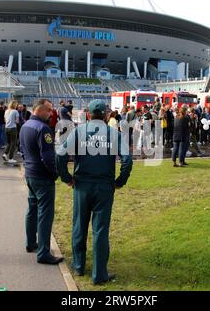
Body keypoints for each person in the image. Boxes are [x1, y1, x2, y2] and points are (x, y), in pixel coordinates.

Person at [56, 100, 133, 285]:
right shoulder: (113, 133)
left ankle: (79, 266)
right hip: (104, 187)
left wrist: (67, 178)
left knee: (79, 225)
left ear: (88, 115)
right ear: (106, 115)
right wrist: (119, 182)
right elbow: (127, 160)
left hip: (82, 186)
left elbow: (60, 155)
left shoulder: (79, 131)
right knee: (100, 230)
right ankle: (99, 274)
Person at [19, 99, 63, 265]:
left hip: (30, 173)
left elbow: (22, 149)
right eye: (49, 110)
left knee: (32, 209)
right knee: (45, 214)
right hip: (42, 176)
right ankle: (43, 252)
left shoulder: (26, 125)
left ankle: (31, 243)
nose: (51, 113)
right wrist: (55, 173)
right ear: (40, 110)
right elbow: (48, 157)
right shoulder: (43, 128)